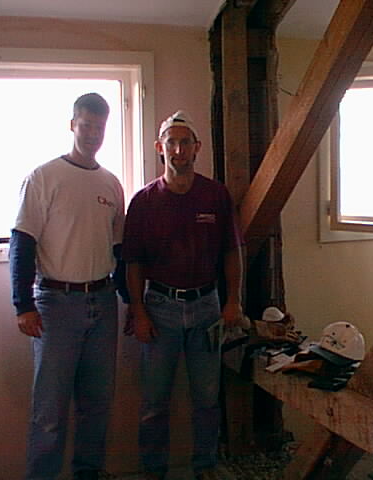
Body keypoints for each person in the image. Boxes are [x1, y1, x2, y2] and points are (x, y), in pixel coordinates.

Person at [122, 110, 244, 480]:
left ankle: (205, 468)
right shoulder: (144, 201)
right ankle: (153, 472)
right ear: (160, 148)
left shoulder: (215, 195)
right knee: (154, 402)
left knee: (206, 399)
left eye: (185, 142)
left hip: (207, 308)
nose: (178, 150)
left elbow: (231, 251)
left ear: (197, 148)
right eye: (171, 143)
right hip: (159, 310)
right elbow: (133, 262)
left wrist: (233, 300)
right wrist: (138, 311)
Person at [9, 93, 125, 480]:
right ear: (73, 125)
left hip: (102, 303)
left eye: (99, 127)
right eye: (86, 125)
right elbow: (22, 242)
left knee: (97, 404)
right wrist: (23, 304)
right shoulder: (44, 177)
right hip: (56, 305)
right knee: (50, 410)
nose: (92, 134)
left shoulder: (111, 184)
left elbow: (119, 249)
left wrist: (131, 302)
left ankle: (88, 473)